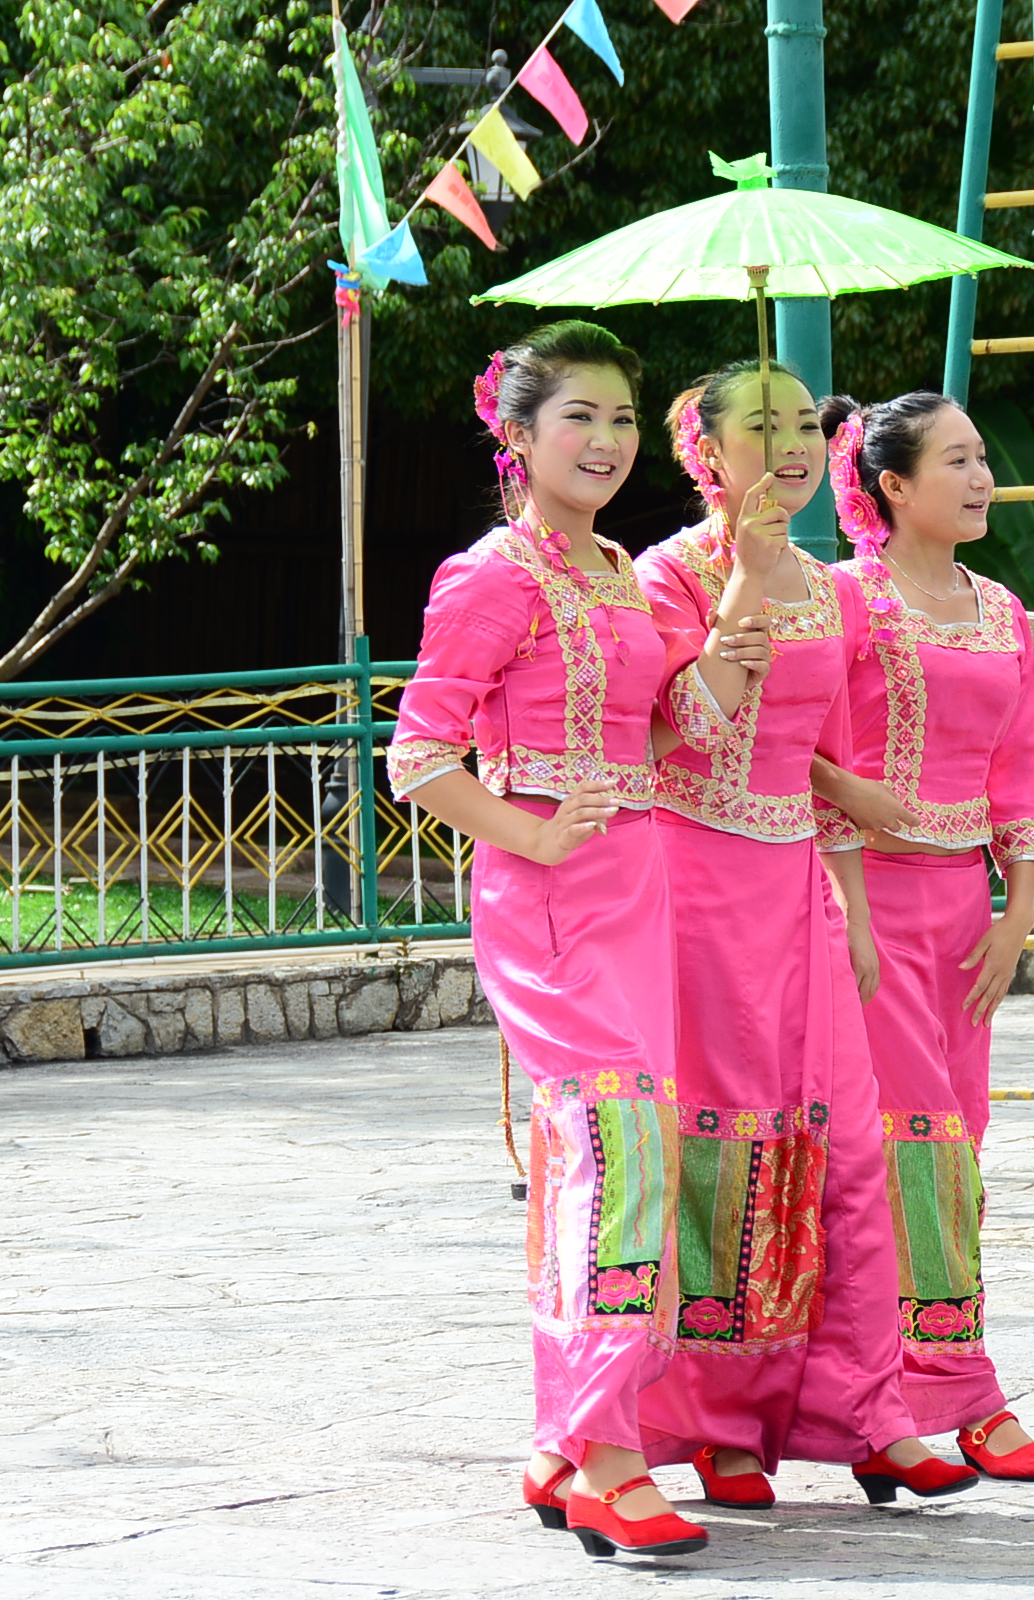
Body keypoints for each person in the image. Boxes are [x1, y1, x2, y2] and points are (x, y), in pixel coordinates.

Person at [387, 322, 714, 1558]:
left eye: (623, 418)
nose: (608, 440)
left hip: (642, 885)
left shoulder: (621, 570)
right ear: (517, 437)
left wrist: (722, 664)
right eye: (580, 415)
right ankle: (610, 1460)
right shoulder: (492, 575)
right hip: (551, 901)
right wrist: (530, 833)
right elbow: (420, 755)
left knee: (617, 1156)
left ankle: (567, 1438)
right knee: (618, 1150)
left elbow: (659, 733)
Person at [631, 363, 981, 1508]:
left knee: (851, 1151)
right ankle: (720, 1422)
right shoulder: (667, 575)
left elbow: (821, 766)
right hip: (695, 887)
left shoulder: (833, 593)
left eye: (800, 428)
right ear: (707, 453)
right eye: (761, 428)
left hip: (801, 892)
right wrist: (741, 579)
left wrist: (854, 907)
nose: (790, 447)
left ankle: (868, 1411)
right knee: (728, 1149)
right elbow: (679, 731)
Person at [808, 391, 1034, 1481]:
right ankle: (961, 1394)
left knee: (958, 1141)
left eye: (981, 457)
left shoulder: (1000, 610)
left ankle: (896, 1397)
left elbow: (1021, 765)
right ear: (894, 485)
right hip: (864, 906)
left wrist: (1018, 913)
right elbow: (808, 748)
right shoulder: (843, 598)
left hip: (966, 915)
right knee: (912, 1146)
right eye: (955, 460)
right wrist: (853, 912)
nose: (980, 477)